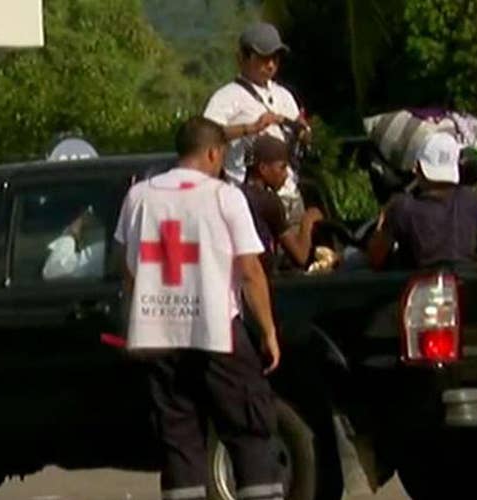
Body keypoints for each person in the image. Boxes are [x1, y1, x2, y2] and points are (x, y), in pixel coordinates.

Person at [114, 117, 283, 500]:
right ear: (213, 152)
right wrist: (269, 331)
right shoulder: (224, 196)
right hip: (216, 330)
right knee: (248, 428)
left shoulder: (139, 196)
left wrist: (131, 325)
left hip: (157, 333)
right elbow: (251, 270)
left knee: (178, 436)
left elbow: (127, 270)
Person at [203, 21, 310, 222]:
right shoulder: (226, 97)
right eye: (263, 58)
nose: (270, 65)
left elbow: (302, 128)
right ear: (242, 58)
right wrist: (250, 128)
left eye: (275, 59)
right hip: (246, 196)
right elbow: (206, 134)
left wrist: (302, 131)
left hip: (287, 190)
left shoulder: (284, 95)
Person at [367, 132, 477, 269]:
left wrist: (383, 221)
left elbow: (375, 259)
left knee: (353, 259)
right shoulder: (470, 199)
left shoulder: (403, 207)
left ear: (419, 168)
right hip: (464, 280)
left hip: (417, 284)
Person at [241, 134, 324, 274]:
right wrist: (307, 222)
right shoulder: (269, 201)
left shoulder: (235, 194)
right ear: (263, 168)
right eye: (282, 167)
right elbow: (300, 256)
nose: (285, 175)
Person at [42, 205, 105, 280]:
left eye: (88, 213)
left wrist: (69, 235)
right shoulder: (100, 249)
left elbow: (52, 272)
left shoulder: (99, 251)